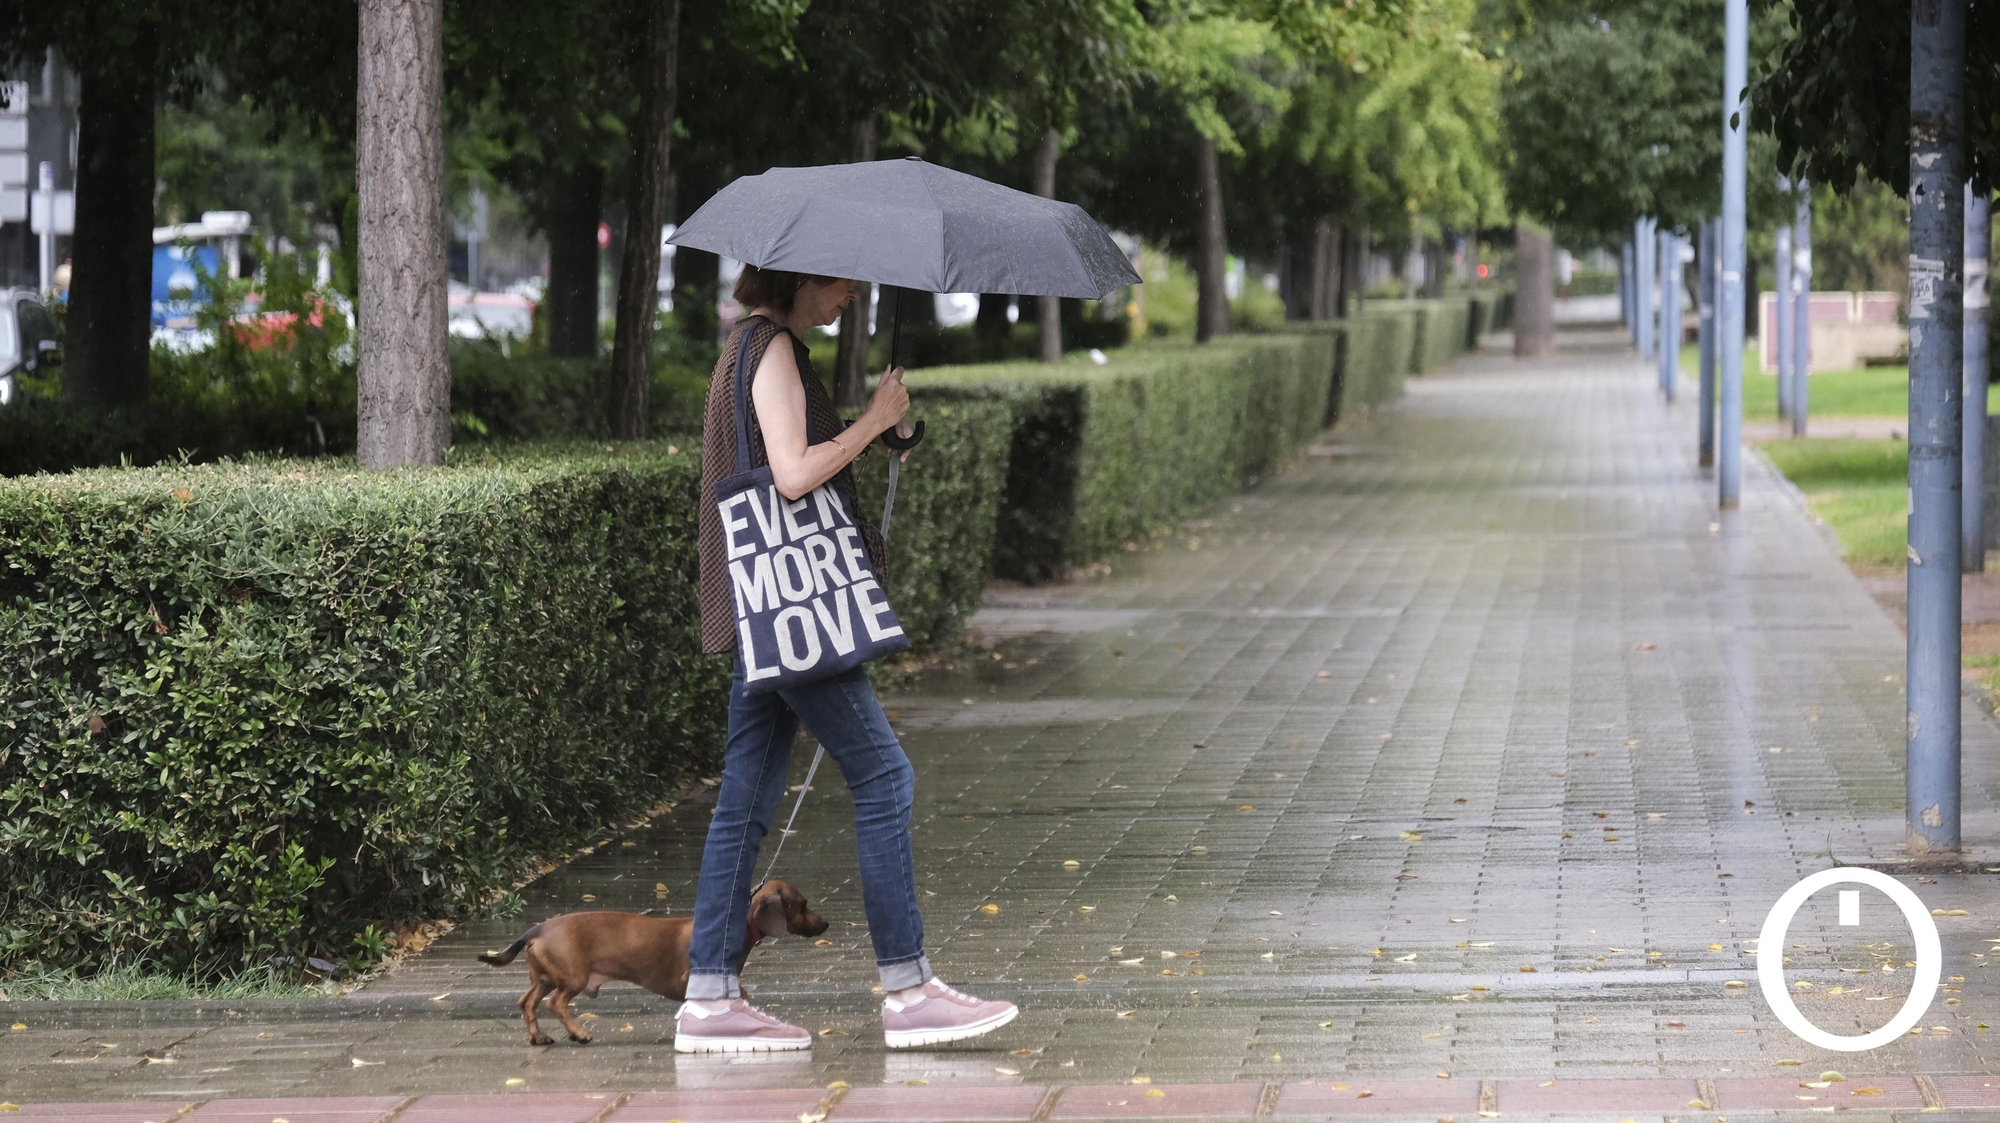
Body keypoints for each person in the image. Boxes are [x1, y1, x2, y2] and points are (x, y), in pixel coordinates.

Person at [681, 265, 1020, 1053]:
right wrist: (870, 421)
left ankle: (708, 996)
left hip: (772, 602)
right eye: (840, 283)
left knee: (747, 793)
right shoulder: (770, 350)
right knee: (884, 775)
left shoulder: (758, 347)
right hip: (798, 607)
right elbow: (794, 475)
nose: (853, 296)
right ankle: (908, 990)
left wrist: (880, 433)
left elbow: (784, 462)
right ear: (800, 277)